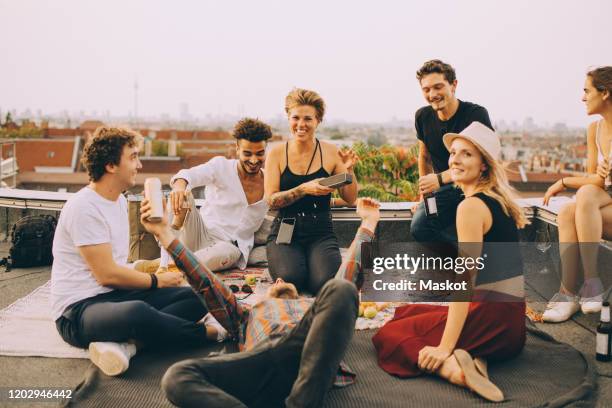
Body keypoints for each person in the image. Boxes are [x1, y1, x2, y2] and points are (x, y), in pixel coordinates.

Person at [137, 197, 380, 408]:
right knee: (177, 377)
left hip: (308, 355)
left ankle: (301, 402)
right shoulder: (244, 315)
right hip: (261, 360)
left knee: (342, 288)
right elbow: (206, 283)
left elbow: (350, 272)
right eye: (274, 284)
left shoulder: (313, 308)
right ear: (261, 297)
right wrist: (164, 233)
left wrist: (369, 222)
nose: (279, 281)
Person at [373, 122, 528, 402]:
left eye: (467, 154)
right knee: (407, 313)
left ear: (484, 165)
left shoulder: (470, 207)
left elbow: (464, 283)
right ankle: (477, 361)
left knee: (390, 333)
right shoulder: (498, 201)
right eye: (454, 152)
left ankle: (452, 369)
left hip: (491, 318)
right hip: (512, 329)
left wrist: (444, 347)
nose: (455, 159)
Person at [51, 127, 221, 377]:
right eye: (133, 157)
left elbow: (120, 268)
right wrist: (156, 281)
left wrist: (158, 228)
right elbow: (106, 275)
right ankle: (210, 334)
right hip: (77, 312)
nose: (139, 165)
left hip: (113, 297)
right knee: (137, 313)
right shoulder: (83, 207)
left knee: (195, 297)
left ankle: (128, 345)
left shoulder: (119, 201)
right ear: (110, 165)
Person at [264, 88, 359, 294]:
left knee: (324, 284)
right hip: (286, 230)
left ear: (318, 121)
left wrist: (349, 170)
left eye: (308, 118)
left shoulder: (332, 152)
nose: (301, 124)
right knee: (292, 279)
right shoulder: (277, 154)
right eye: (295, 117)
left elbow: (350, 198)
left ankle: (312, 264)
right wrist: (303, 188)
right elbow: (271, 201)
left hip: (320, 231)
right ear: (288, 117)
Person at [541, 66, 612, 322]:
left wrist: (565, 182)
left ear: (604, 93)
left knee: (583, 198)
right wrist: (564, 181)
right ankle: (569, 293)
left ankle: (591, 282)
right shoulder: (594, 130)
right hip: (605, 201)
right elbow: (596, 181)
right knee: (570, 208)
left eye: (587, 91)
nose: (583, 98)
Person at [162, 117, 271, 272]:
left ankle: (168, 266)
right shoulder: (221, 167)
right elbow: (188, 175)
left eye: (260, 154)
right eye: (247, 153)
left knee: (224, 252)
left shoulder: (271, 183)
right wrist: (179, 188)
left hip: (231, 247)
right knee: (183, 193)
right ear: (237, 149)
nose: (254, 160)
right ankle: (166, 256)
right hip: (200, 233)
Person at [410, 59, 494, 244]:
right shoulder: (422, 116)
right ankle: (466, 260)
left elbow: (485, 161)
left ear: (453, 84)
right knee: (420, 227)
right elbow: (424, 157)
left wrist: (439, 179)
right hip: (444, 190)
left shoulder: (475, 115)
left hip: (475, 187)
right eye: (426, 89)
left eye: (438, 87)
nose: (432, 94)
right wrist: (424, 194)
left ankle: (472, 260)